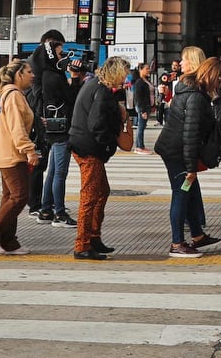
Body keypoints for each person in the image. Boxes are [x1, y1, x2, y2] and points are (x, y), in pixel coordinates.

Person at [156, 52, 221, 258]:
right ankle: (177, 243)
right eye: (220, 78)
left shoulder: (195, 92)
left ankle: (197, 236)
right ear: (212, 75)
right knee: (181, 193)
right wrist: (190, 168)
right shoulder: (195, 97)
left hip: (176, 148)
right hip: (176, 152)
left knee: (191, 192)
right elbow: (190, 135)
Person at [67, 56, 128, 260]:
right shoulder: (100, 91)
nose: (125, 78)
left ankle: (93, 237)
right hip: (89, 149)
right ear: (116, 73)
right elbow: (96, 125)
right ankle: (82, 244)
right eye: (124, 74)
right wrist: (109, 145)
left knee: (102, 191)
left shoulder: (94, 84)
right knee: (90, 196)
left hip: (84, 145)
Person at [0, 59, 40, 255]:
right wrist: (29, 150)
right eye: (29, 71)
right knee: (20, 196)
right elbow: (16, 128)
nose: (33, 75)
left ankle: (8, 241)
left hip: (5, 152)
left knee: (9, 197)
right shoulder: (13, 96)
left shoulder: (8, 94)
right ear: (18, 75)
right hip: (13, 154)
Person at [28, 44, 75, 226]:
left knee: (53, 172)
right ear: (50, 56)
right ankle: (60, 214)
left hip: (54, 129)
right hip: (61, 129)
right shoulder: (54, 77)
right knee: (60, 174)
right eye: (60, 54)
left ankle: (46, 210)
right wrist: (75, 78)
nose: (64, 57)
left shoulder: (47, 76)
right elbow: (71, 98)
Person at [129, 61, 155, 151]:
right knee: (141, 126)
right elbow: (138, 97)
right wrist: (142, 110)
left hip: (147, 105)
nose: (149, 70)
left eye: (149, 69)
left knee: (142, 126)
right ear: (141, 69)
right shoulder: (139, 82)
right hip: (142, 106)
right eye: (146, 69)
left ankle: (140, 145)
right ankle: (139, 146)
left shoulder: (146, 81)